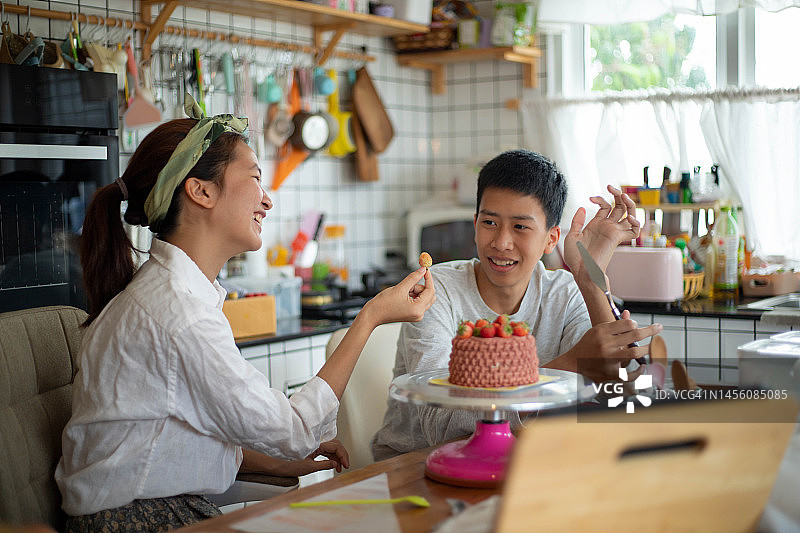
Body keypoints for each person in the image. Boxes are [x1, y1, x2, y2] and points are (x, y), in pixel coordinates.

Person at [55, 96, 435, 532]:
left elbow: (167, 440)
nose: (267, 200)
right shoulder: (177, 313)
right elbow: (291, 428)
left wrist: (281, 464)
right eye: (255, 178)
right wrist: (370, 316)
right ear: (201, 191)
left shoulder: (171, 297)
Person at [371, 149, 662, 460]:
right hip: (415, 467)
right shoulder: (434, 292)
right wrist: (567, 369)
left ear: (552, 239)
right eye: (490, 223)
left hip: (524, 463)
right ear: (475, 223)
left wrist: (590, 277)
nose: (501, 242)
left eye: (520, 227)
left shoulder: (564, 292)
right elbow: (442, 424)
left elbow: (612, 389)